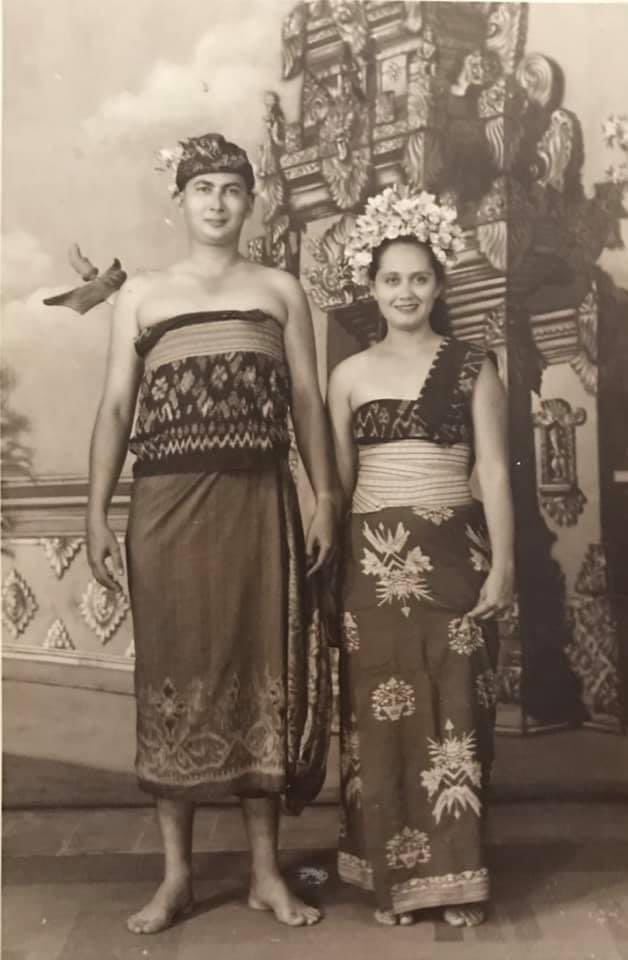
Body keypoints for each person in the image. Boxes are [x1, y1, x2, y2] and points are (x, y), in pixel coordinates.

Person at [86, 133, 338, 934]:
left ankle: (266, 874)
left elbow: (306, 396)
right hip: (166, 509)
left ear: (249, 199)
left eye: (233, 187)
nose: (219, 202)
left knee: (261, 665)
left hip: (258, 505)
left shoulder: (280, 290)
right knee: (175, 681)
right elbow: (117, 408)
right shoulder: (142, 296)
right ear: (182, 200)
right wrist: (97, 510)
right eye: (204, 189)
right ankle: (177, 879)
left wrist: (324, 493)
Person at [327, 186, 514, 927]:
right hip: (371, 569)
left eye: (420, 277)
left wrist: (502, 564)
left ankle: (458, 880)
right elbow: (339, 489)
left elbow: (494, 472)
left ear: (439, 284)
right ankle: (395, 883)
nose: (406, 292)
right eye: (391, 279)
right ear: (370, 288)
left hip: (452, 560)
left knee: (455, 713)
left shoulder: (473, 365)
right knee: (382, 718)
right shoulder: (348, 377)